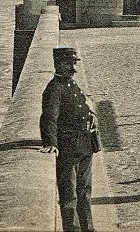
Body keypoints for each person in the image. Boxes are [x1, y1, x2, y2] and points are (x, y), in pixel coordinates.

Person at [40, 47, 99, 232]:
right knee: (69, 196)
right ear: (58, 64)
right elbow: (49, 117)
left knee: (85, 192)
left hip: (84, 146)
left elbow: (81, 105)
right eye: (70, 64)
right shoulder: (54, 89)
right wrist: (50, 142)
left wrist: (90, 114)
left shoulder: (71, 84)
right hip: (68, 149)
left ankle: (88, 228)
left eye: (75, 63)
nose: (74, 68)